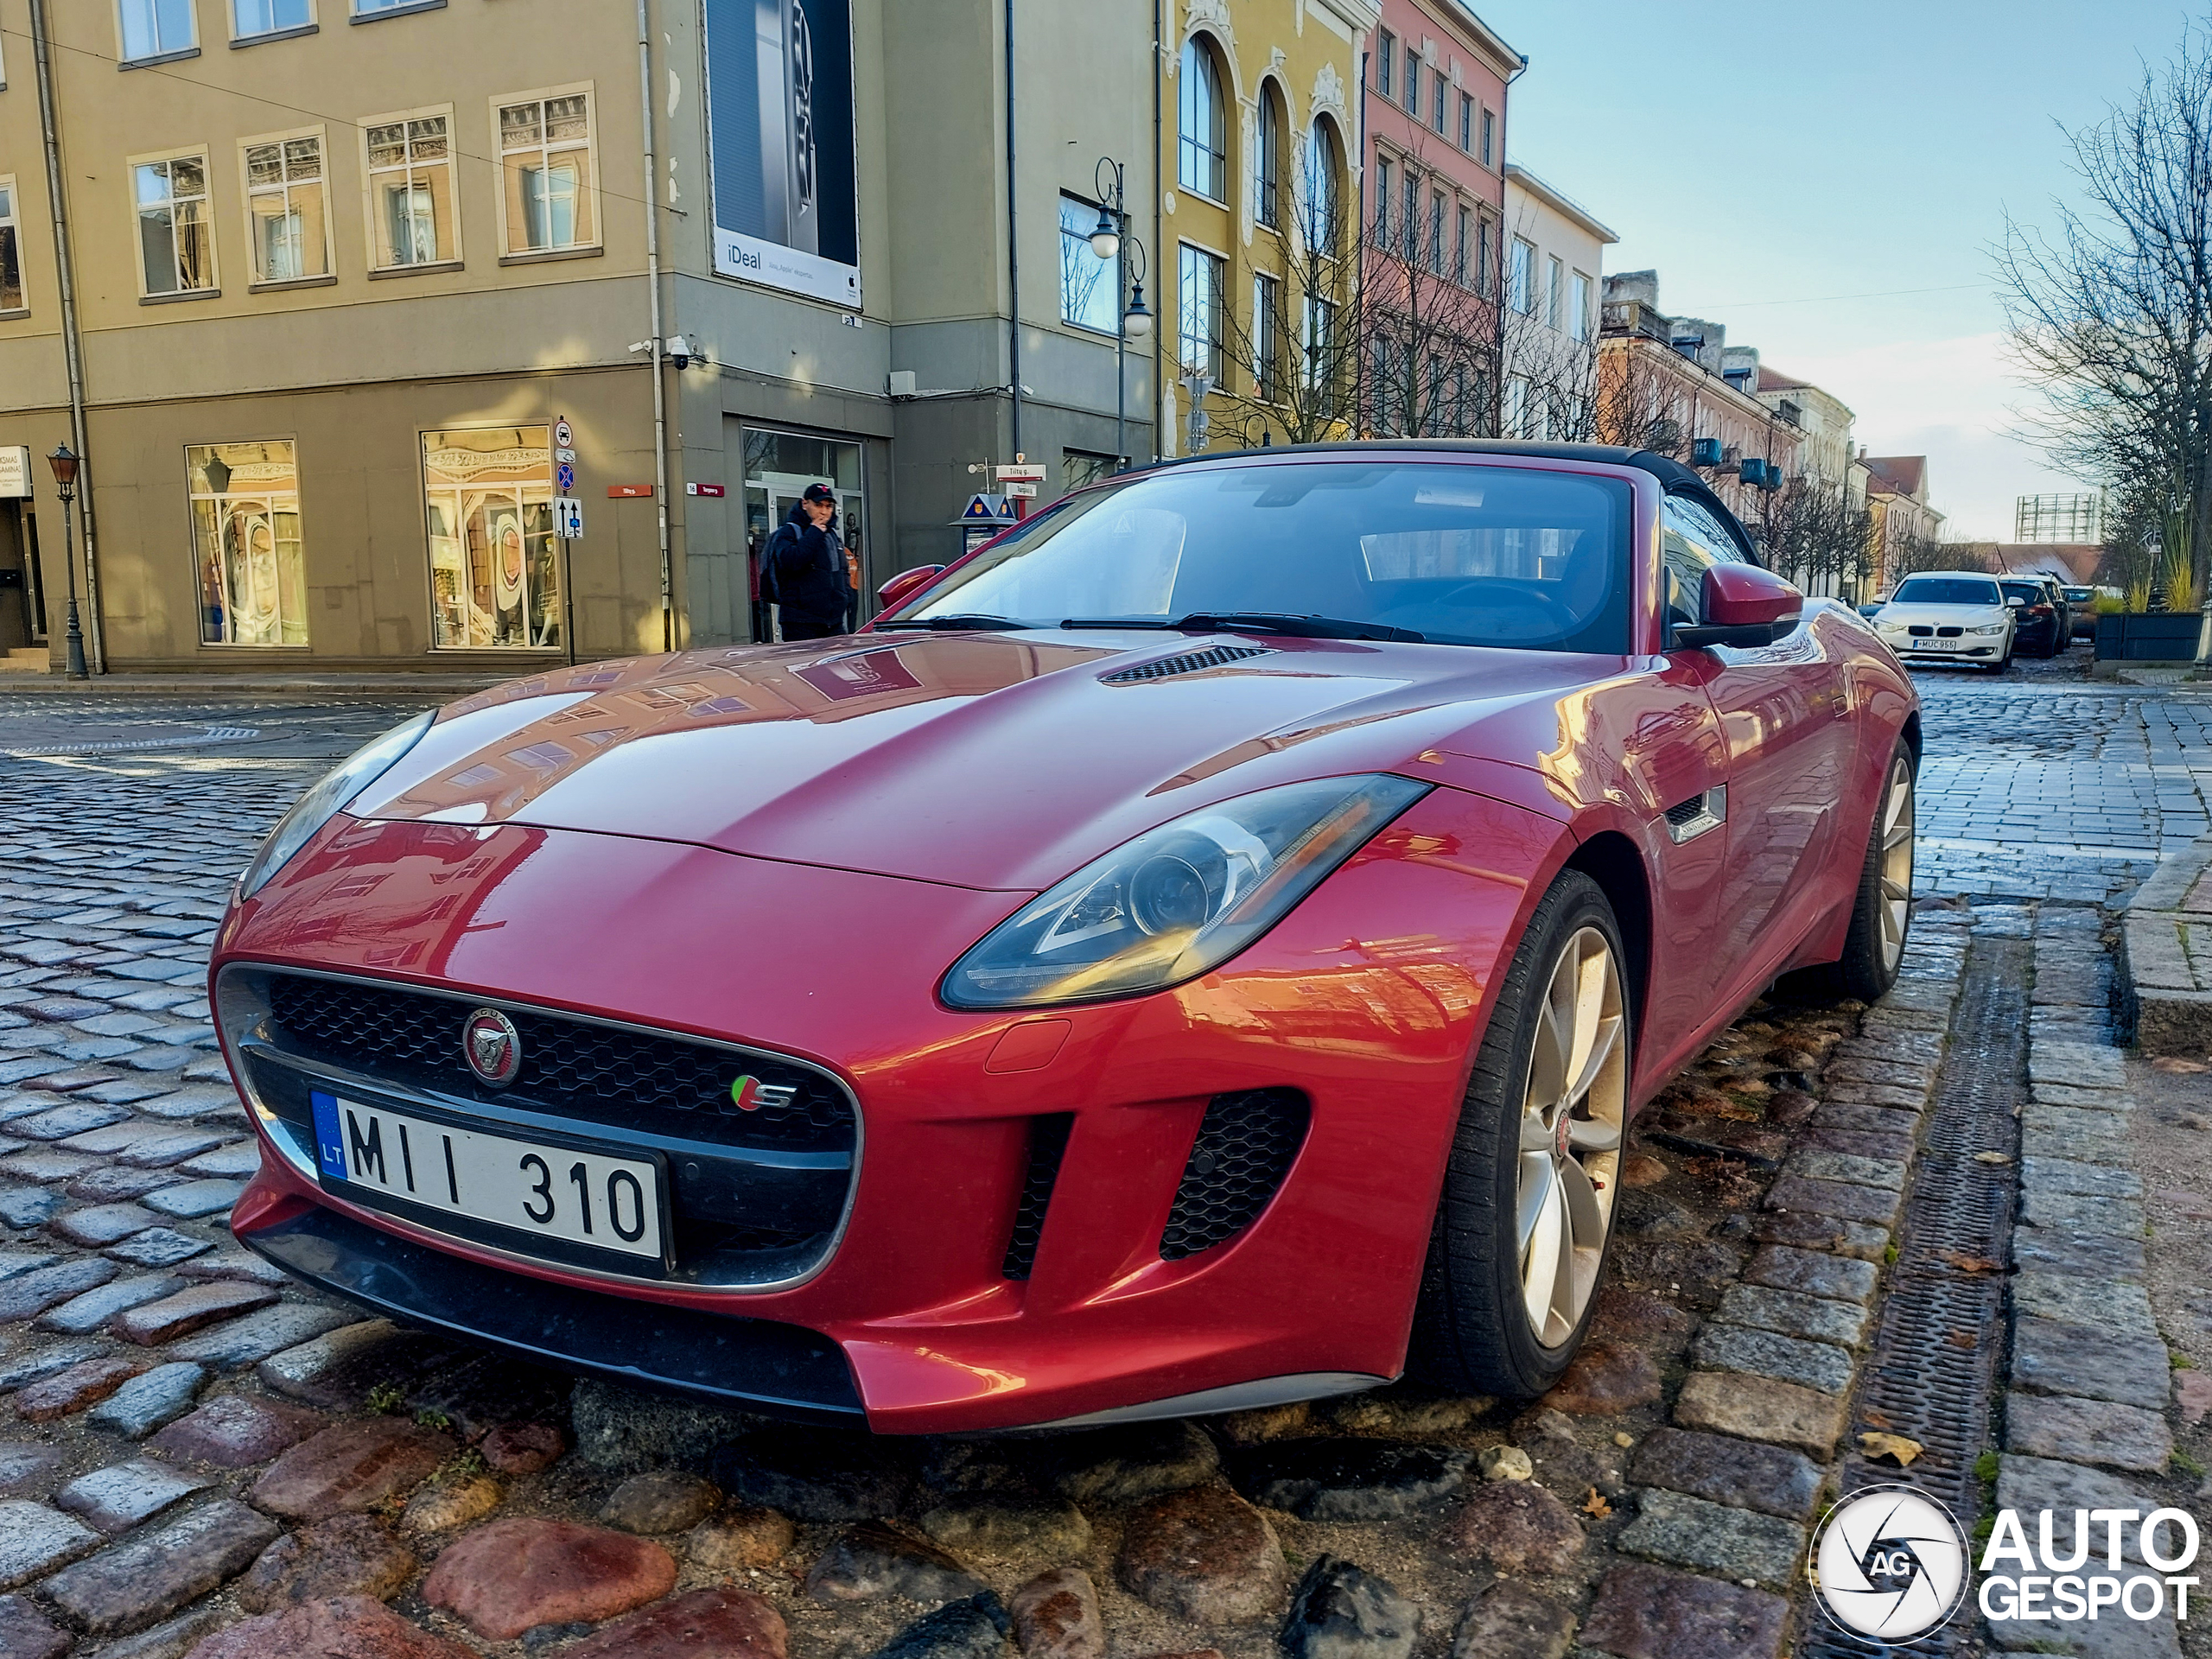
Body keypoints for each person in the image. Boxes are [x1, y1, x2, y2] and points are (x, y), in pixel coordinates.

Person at [763, 483, 853, 641]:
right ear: (805, 504)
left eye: (828, 506)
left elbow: (842, 570)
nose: (824, 512)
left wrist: (844, 598)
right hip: (801, 622)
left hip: (834, 622)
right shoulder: (789, 532)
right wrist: (814, 532)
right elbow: (792, 562)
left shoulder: (831, 535)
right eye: (818, 505)